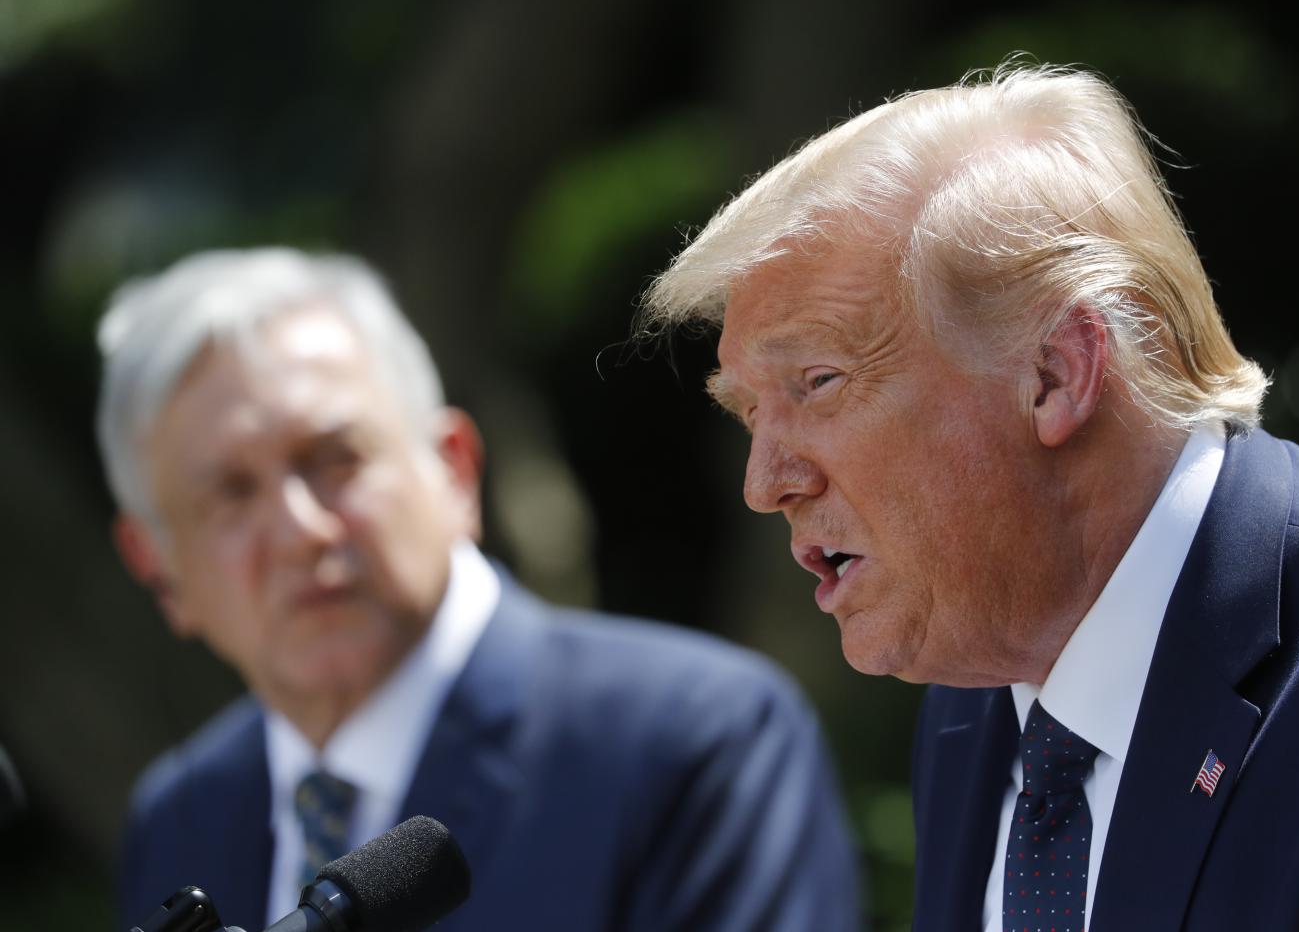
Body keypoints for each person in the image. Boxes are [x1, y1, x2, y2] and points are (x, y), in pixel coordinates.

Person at [639, 64, 1299, 930]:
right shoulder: (972, 695)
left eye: (818, 382)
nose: (766, 482)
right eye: (750, 411)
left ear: (1057, 373)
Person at [100, 248, 861, 932]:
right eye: (231, 494)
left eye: (336, 458)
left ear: (455, 471)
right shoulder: (182, 815)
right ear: (159, 569)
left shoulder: (691, 741)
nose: (302, 530)